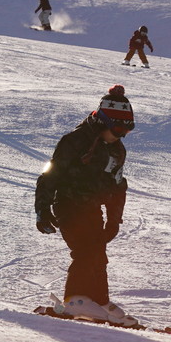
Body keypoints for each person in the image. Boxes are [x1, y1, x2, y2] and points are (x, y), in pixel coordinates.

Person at [34, 85, 137, 325]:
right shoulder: (74, 141)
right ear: (102, 123)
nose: (120, 136)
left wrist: (113, 220)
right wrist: (42, 208)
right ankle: (75, 300)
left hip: (92, 208)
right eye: (117, 129)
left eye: (125, 132)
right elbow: (50, 175)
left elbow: (118, 186)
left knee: (98, 256)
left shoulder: (116, 149)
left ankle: (99, 301)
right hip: (68, 205)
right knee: (86, 252)